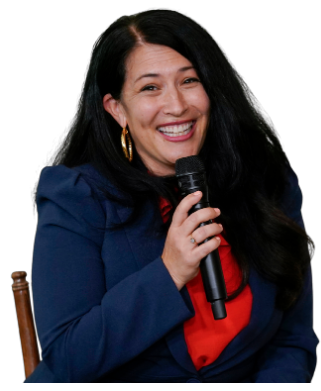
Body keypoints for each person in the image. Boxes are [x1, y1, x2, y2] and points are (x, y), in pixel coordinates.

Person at [26, 9, 318, 383]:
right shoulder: (77, 197)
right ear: (117, 110)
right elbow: (68, 359)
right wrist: (169, 272)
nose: (177, 105)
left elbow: (292, 340)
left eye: (189, 80)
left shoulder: (266, 182)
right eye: (150, 87)